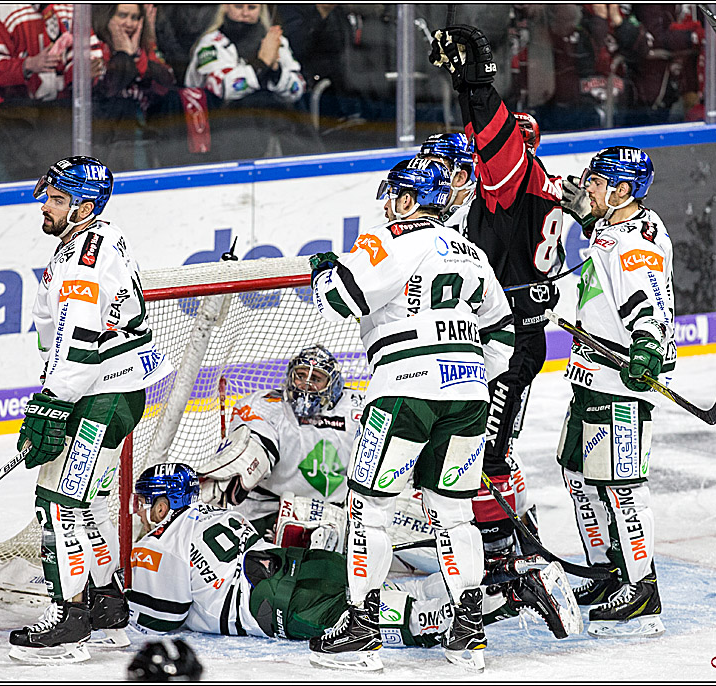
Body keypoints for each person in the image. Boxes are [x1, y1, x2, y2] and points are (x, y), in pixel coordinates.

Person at [308, 157, 516, 672]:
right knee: (455, 514)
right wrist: (464, 373)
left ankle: (361, 629)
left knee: (369, 508)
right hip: (469, 395)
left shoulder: (388, 240)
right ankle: (468, 635)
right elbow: (503, 337)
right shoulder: (471, 253)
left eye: (393, 196)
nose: (386, 206)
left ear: (407, 199)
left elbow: (338, 299)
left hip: (404, 392)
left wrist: (324, 273)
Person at [126, 463, 579, 665]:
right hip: (305, 563)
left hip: (277, 600)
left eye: (148, 500)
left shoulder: (158, 545)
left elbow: (163, 619)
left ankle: (515, 592)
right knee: (399, 593)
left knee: (411, 621)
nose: (142, 509)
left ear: (166, 504)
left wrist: (120, 602)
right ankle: (507, 572)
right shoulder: (216, 514)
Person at [6, 155, 174, 663]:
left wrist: (53, 403)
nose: (46, 206)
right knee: (87, 503)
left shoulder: (84, 259)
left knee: (57, 503)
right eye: (48, 196)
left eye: (58, 199)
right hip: (110, 391)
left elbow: (78, 339)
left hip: (100, 394)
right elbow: (56, 332)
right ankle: (106, 605)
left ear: (83, 207)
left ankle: (70, 615)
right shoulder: (94, 239)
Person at [429, 25, 567, 573]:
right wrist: (465, 93)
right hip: (507, 334)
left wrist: (479, 83)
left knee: (485, 451)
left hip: (508, 344)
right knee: (491, 444)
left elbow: (493, 141)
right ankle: (520, 532)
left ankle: (502, 555)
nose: (473, 164)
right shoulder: (532, 186)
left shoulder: (516, 181)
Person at [555, 146, 674, 639]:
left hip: (620, 378)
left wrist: (648, 347)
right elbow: (605, 243)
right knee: (576, 471)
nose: (590, 187)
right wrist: (587, 215)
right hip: (590, 373)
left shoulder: (636, 243)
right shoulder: (613, 226)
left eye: (599, 183)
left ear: (624, 190)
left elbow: (650, 300)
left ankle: (642, 589)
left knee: (622, 486)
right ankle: (608, 570)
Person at [194, 343, 362, 537]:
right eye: (300, 375)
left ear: (333, 385)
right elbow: (255, 444)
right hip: (267, 509)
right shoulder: (264, 404)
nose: (306, 384)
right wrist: (236, 468)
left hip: (336, 512)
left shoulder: (357, 408)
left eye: (316, 379)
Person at [0, 4, 104, 183]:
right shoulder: (3, 10)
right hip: (13, 116)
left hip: (59, 115)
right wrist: (27, 65)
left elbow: (90, 58)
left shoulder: (72, 9)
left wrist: (84, 71)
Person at [184, 3, 311, 160]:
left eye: (252, 7)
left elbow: (298, 88)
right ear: (225, 7)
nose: (245, 13)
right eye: (238, 7)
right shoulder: (210, 44)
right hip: (220, 127)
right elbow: (222, 88)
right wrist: (261, 65)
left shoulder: (275, 41)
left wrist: (276, 71)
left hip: (274, 125)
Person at [91, 3, 181, 172]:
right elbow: (106, 93)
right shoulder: (97, 48)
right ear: (108, 17)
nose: (129, 23)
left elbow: (168, 83)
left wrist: (139, 54)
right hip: (110, 139)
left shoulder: (145, 48)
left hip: (147, 133)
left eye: (135, 17)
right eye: (122, 15)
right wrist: (123, 55)